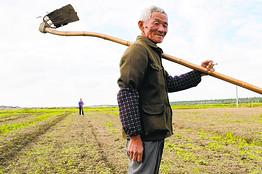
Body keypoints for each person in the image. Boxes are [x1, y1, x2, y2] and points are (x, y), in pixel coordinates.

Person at [117, 6, 215, 174]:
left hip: (154, 132)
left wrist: (198, 73)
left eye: (165, 25)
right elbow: (127, 91)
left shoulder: (152, 52)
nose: (162, 29)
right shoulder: (138, 50)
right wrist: (134, 136)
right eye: (157, 23)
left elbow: (170, 83)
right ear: (142, 25)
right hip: (144, 134)